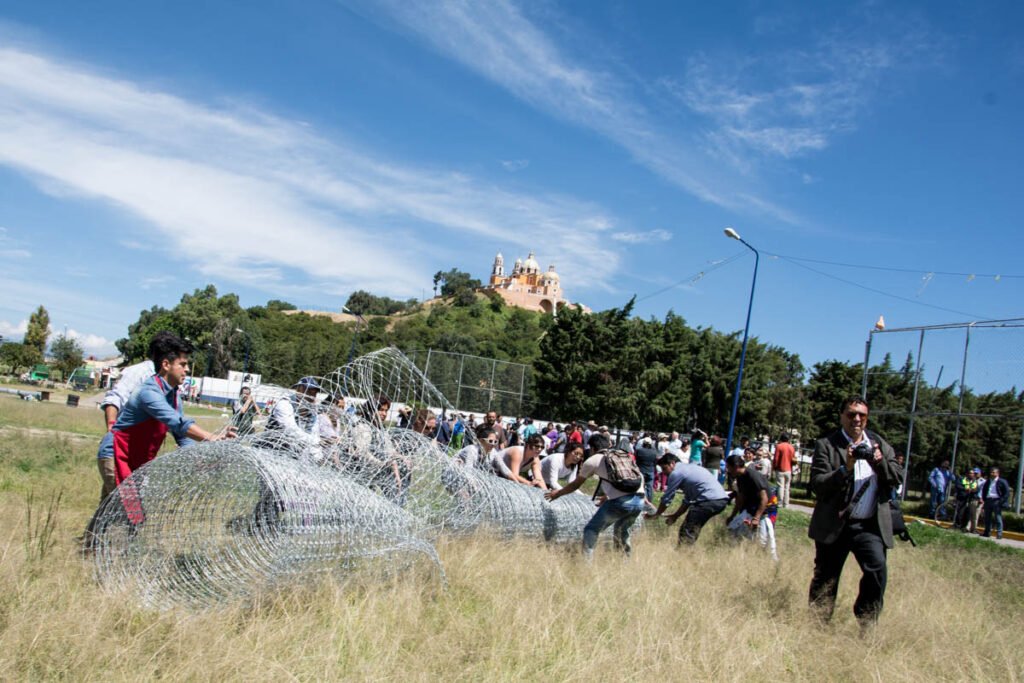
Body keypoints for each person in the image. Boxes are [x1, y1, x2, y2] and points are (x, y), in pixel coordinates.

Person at [807, 397, 902, 627]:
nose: (856, 419)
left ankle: (867, 620)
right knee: (826, 578)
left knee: (877, 570)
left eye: (862, 415)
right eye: (851, 414)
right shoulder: (827, 445)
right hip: (835, 523)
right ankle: (818, 626)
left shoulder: (879, 444)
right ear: (841, 416)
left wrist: (879, 463)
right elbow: (818, 485)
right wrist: (845, 468)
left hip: (868, 525)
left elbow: (897, 477)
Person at [545, 447, 645, 559]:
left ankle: (586, 564)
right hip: (639, 499)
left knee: (592, 529)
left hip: (620, 501)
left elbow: (575, 484)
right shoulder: (622, 455)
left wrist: (558, 494)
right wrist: (608, 496)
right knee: (622, 531)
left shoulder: (593, 460)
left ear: (592, 448)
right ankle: (624, 562)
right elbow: (631, 478)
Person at [647, 453, 730, 545]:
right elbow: (688, 500)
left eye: (665, 468)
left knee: (687, 531)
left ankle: (683, 554)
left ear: (672, 463)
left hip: (709, 501)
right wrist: (675, 516)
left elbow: (667, 498)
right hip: (721, 500)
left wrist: (657, 514)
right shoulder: (690, 468)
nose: (664, 472)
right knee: (692, 527)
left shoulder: (676, 473)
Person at [725, 454, 778, 561]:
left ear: (735, 466)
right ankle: (739, 557)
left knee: (763, 541)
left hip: (766, 509)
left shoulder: (753, 476)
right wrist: (733, 516)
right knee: (733, 530)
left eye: (729, 467)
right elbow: (741, 498)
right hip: (751, 508)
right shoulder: (740, 478)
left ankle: (767, 561)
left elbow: (764, 498)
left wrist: (756, 518)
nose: (728, 470)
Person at [980, 467, 1010, 539]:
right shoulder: (988, 481)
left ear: (997, 473)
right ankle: (987, 532)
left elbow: (1006, 493)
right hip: (988, 500)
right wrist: (984, 499)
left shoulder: (1002, 481)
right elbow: (984, 490)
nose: (992, 474)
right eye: (991, 472)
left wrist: (1001, 501)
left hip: (997, 501)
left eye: (993, 472)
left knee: (998, 517)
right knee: (987, 517)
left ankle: (999, 534)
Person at [633, 435, 660, 501]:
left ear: (643, 443)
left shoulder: (639, 450)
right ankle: (649, 501)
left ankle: (639, 500)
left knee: (640, 486)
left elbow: (636, 460)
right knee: (650, 487)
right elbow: (655, 461)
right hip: (651, 471)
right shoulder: (654, 452)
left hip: (641, 470)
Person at [773, 434, 796, 508]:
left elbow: (776, 459)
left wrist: (774, 467)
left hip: (780, 469)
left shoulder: (779, 446)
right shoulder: (791, 447)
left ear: (781, 439)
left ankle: (779, 503)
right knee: (787, 487)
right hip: (789, 469)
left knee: (780, 486)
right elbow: (793, 459)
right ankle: (786, 504)